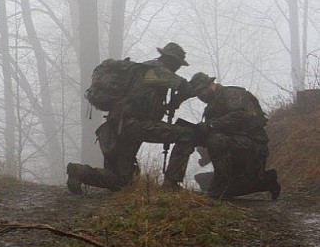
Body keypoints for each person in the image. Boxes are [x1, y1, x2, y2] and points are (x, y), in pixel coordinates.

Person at [67, 42, 196, 193]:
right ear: (172, 61)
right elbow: (186, 88)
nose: (178, 68)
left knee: (121, 181)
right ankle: (171, 185)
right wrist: (175, 103)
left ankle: (80, 172)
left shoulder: (137, 69)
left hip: (115, 126)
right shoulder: (158, 71)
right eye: (178, 64)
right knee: (188, 135)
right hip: (135, 125)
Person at [182, 72, 280, 199]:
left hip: (253, 144)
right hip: (237, 144)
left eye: (202, 90)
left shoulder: (231, 94)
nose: (200, 95)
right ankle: (264, 181)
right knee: (213, 181)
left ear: (211, 85)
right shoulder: (213, 104)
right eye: (197, 93)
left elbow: (241, 115)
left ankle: (222, 187)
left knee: (216, 141)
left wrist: (211, 125)